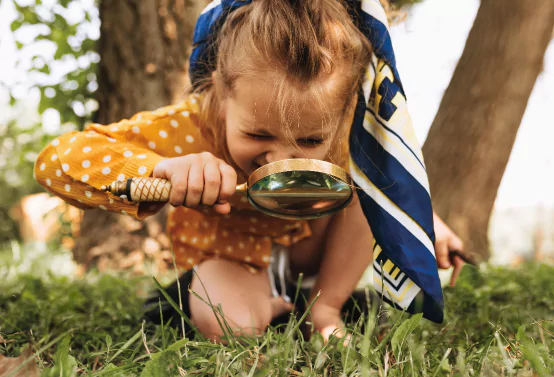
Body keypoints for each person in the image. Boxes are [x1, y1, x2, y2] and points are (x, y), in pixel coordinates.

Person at [34, 0, 464, 342]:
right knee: (231, 325)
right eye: (259, 134)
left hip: (313, 260)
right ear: (221, 91)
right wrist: (161, 168)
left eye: (310, 141)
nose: (281, 161)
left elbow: (391, 186)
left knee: (370, 182)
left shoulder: (353, 129)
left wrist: (428, 226)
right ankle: (266, 308)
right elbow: (57, 161)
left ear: (346, 105)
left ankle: (325, 308)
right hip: (232, 261)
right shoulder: (192, 127)